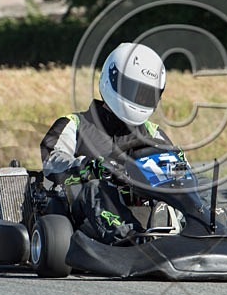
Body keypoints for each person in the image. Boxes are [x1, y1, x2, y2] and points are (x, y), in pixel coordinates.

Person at [40, 42, 173, 245]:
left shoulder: (153, 133)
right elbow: (52, 160)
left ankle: (196, 229)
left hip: (139, 203)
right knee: (97, 187)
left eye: (146, 94)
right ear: (112, 79)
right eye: (133, 90)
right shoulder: (74, 124)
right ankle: (129, 240)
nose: (139, 98)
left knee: (183, 188)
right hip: (83, 209)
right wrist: (88, 166)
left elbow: (177, 169)